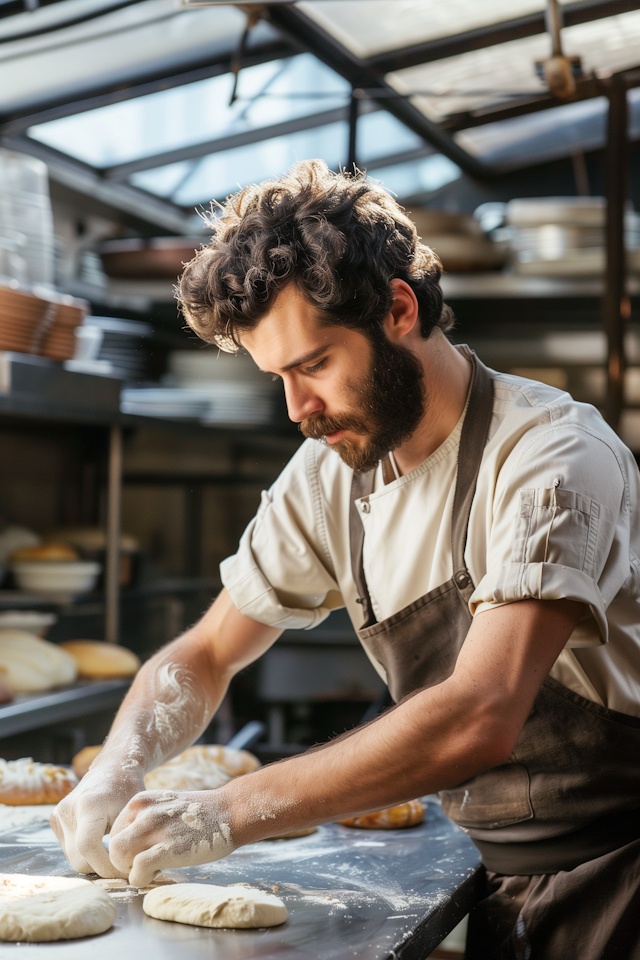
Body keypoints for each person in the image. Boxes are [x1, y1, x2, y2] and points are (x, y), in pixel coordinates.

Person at [52, 160, 640, 958]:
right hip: (503, 877)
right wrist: (117, 769)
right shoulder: (334, 473)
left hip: (623, 874)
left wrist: (224, 812)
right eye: (277, 380)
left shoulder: (549, 457)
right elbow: (208, 651)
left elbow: (480, 714)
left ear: (399, 309)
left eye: (315, 366)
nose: (299, 411)